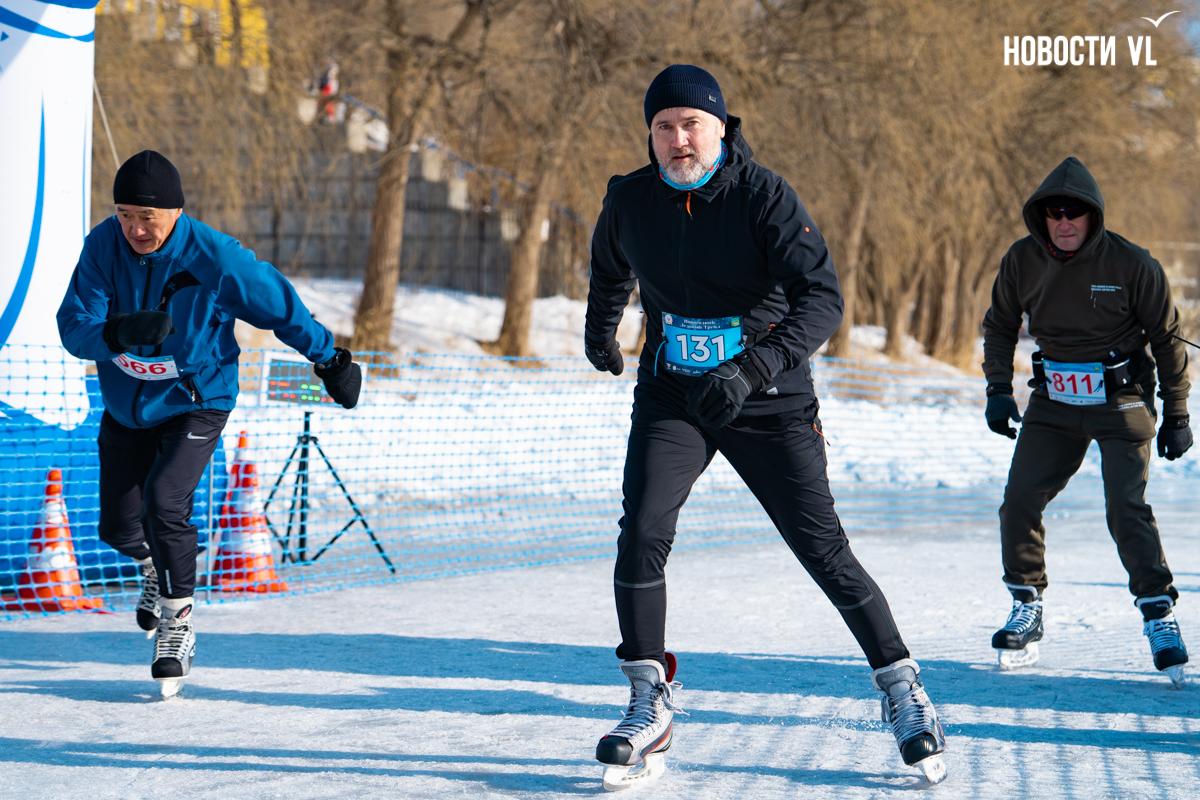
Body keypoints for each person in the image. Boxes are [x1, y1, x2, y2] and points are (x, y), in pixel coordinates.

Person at [584, 65, 946, 788]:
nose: (678, 139)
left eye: (691, 124)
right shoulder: (629, 198)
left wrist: (753, 367)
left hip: (769, 397)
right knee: (643, 528)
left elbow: (823, 298)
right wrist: (602, 330)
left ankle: (904, 692)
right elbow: (610, 267)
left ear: (721, 128)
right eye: (663, 126)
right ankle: (646, 698)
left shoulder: (763, 197)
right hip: (674, 395)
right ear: (650, 135)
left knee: (822, 548)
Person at [57, 150, 361, 697]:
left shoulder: (216, 257)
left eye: (146, 216)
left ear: (175, 211)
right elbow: (74, 323)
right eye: (125, 213)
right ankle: (155, 568)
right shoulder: (103, 245)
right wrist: (117, 332)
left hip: (197, 400)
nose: (135, 228)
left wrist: (328, 359)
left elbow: (279, 306)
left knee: (165, 500)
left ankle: (177, 622)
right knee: (118, 527)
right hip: (127, 405)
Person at [982, 155, 1190, 686]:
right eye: (1055, 212)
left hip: (1121, 400)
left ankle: (1158, 613)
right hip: (1054, 400)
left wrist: (1177, 414)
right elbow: (1001, 324)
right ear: (1042, 217)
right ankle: (1026, 605)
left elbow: (1168, 342)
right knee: (1020, 499)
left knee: (1125, 505)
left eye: (1076, 212)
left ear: (1093, 216)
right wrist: (998, 392)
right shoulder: (1022, 260)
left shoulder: (1132, 264)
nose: (1065, 221)